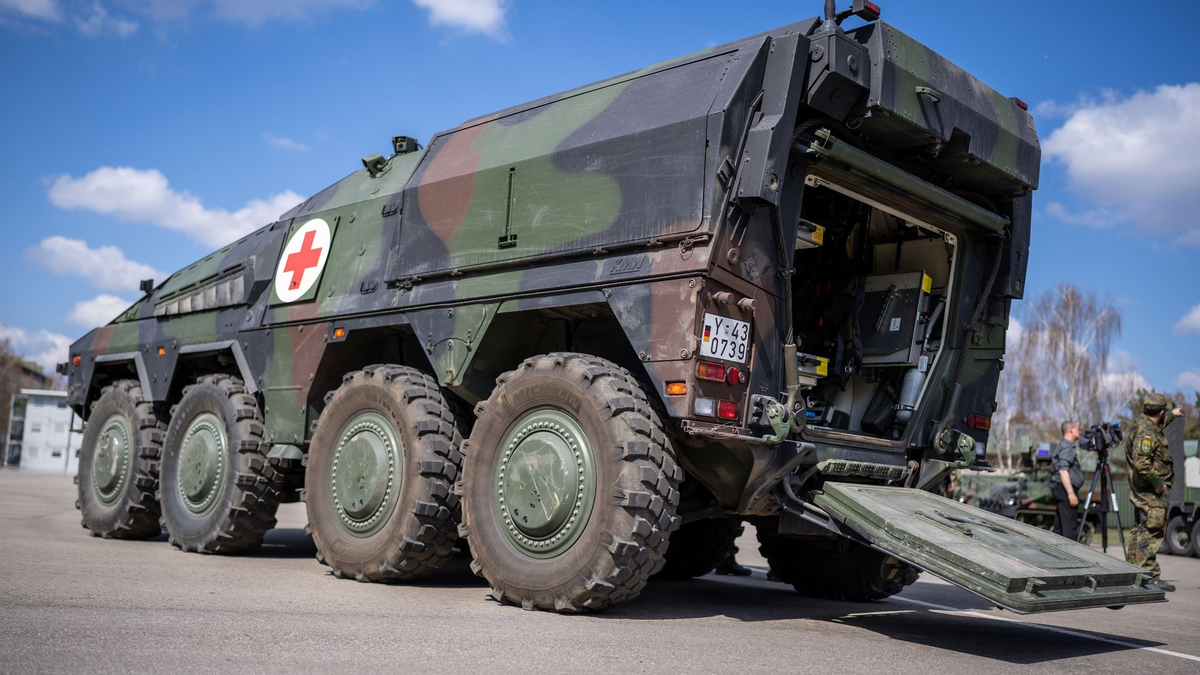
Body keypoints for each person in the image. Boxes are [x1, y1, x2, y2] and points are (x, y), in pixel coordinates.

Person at [1124, 393, 1183, 592]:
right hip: (1150, 491)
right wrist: (1158, 485)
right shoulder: (1146, 432)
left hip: (1141, 489)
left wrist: (1173, 415)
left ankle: (1132, 571)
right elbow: (1142, 464)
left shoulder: (1141, 423)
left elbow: (1157, 426)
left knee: (1140, 529)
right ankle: (1148, 576)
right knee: (1152, 531)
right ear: (1160, 411)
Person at [1049, 421, 1083, 541]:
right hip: (1066, 489)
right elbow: (1063, 471)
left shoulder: (1062, 445)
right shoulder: (1067, 446)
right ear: (1070, 430)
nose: (1080, 431)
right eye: (1078, 429)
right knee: (1069, 530)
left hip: (1062, 488)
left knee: (1059, 529)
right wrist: (1070, 493)